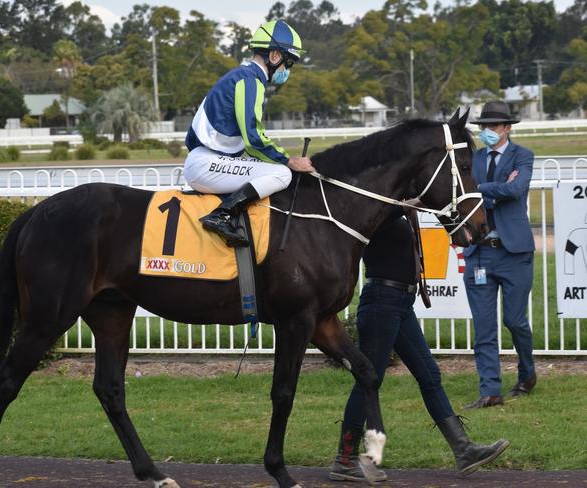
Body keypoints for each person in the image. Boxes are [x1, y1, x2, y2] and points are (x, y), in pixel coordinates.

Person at [330, 208, 509, 483]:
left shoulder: (397, 212)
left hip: (400, 304)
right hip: (382, 303)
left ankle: (464, 451)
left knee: (430, 375)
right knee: (368, 382)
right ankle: (345, 459)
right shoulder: (376, 210)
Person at [183, 19, 314, 247]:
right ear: (275, 56)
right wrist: (288, 159)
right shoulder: (250, 81)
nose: (287, 71)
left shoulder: (240, 76)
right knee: (283, 174)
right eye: (289, 63)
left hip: (204, 161)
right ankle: (222, 214)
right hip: (206, 164)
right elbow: (253, 138)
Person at [462, 101, 537, 410]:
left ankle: (527, 372)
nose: (488, 132)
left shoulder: (523, 156)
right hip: (479, 252)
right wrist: (492, 188)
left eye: (494, 126)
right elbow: (466, 193)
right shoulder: (473, 159)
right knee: (483, 327)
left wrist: (481, 189)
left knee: (515, 321)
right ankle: (490, 390)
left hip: (515, 252)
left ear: (507, 128)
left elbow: (516, 189)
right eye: (484, 127)